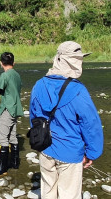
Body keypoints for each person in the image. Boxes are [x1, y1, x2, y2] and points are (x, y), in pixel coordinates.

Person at [29, 41, 104, 199]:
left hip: (45, 147)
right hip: (70, 151)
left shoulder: (39, 84)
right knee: (69, 194)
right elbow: (91, 125)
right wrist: (91, 153)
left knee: (48, 191)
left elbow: (34, 118)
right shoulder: (78, 90)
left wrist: (38, 141)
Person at [0, 52, 24, 177]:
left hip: (7, 108)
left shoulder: (5, 75)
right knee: (12, 136)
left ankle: (2, 168)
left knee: (3, 138)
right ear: (13, 63)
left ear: (1, 63)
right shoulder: (17, 75)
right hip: (16, 108)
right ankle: (14, 163)